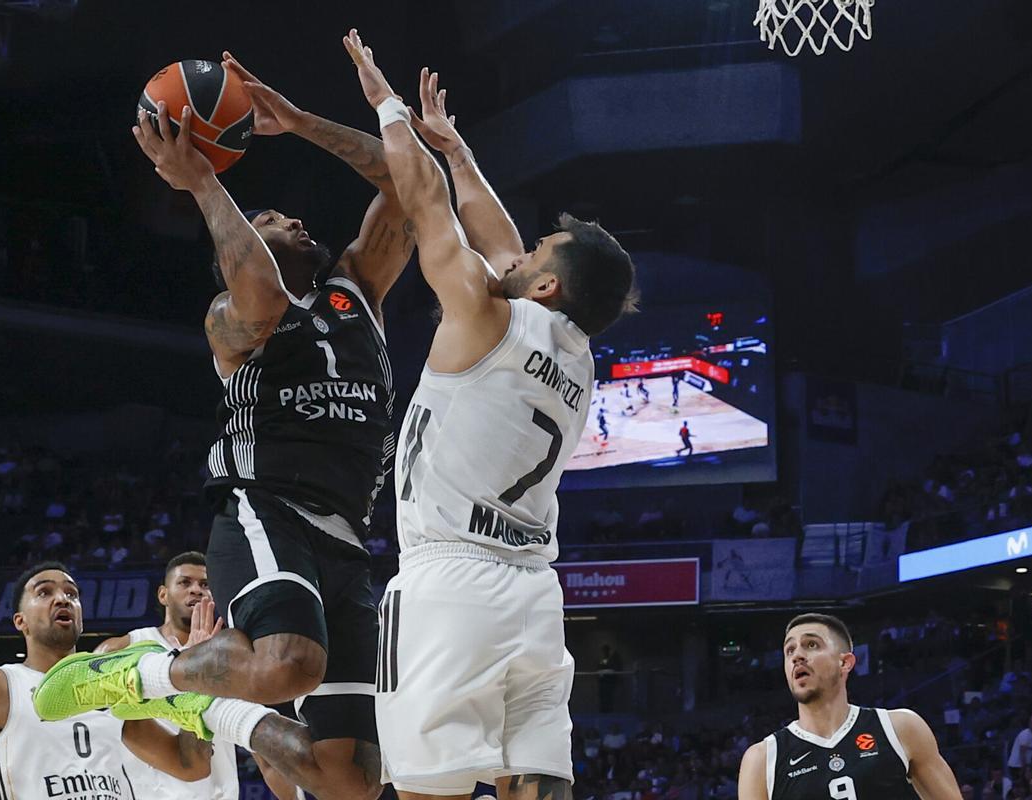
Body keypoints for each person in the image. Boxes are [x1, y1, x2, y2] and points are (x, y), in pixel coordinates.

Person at [34, 50, 419, 800]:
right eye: (271, 218)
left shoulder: (358, 290)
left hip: (347, 530)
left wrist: (303, 123)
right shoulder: (232, 319)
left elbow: (407, 182)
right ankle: (134, 672)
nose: (294, 218)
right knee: (287, 664)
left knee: (349, 779)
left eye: (287, 214)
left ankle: (215, 715)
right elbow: (259, 290)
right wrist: (203, 181)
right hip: (263, 504)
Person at [345, 30, 636, 800]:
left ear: (545, 285)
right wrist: (460, 149)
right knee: (535, 780)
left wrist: (387, 106)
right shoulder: (576, 353)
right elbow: (498, 238)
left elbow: (430, 206)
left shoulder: (484, 313)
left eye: (540, 249)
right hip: (533, 593)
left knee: (422, 789)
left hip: (450, 581)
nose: (520, 250)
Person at [0, 562, 212, 800]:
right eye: (44, 592)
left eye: (72, 593)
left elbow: (190, 766)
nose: (62, 598)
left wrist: (198, 682)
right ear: (20, 621)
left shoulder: (113, 684)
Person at [737, 613, 963, 800]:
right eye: (790, 650)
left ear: (844, 663)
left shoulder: (900, 728)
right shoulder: (762, 759)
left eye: (811, 644)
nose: (797, 656)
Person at [94, 552, 239, 800]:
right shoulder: (123, 649)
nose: (196, 590)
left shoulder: (234, 656)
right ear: (163, 594)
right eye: (185, 583)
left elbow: (263, 752)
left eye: (205, 585)